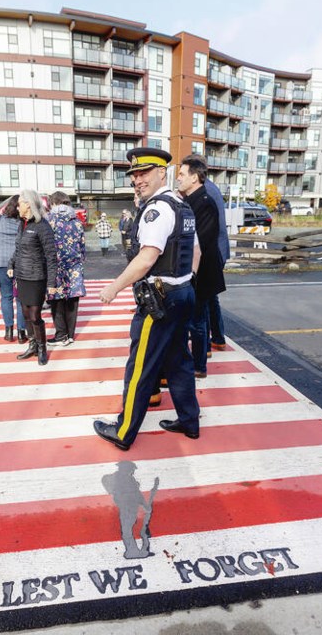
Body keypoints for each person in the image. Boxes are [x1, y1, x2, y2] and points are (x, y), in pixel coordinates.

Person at [93, 147, 201, 451]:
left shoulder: (156, 210)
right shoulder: (182, 205)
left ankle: (124, 430)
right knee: (179, 361)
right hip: (182, 292)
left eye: (144, 173)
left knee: (140, 367)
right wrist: (184, 282)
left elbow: (146, 258)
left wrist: (113, 287)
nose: (138, 180)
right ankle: (189, 421)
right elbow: (196, 251)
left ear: (161, 172)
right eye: (135, 175)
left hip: (161, 299)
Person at [177, 155, 226, 377]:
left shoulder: (204, 202)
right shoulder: (190, 200)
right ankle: (201, 355)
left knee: (197, 319)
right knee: (199, 317)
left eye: (181, 174)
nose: (178, 178)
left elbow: (200, 242)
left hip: (202, 271)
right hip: (196, 270)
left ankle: (199, 366)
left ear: (195, 177)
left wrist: (188, 271)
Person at [9, 189, 57, 365]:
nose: (17, 205)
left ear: (28, 204)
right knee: (25, 313)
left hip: (37, 277)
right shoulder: (22, 225)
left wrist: (52, 282)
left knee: (35, 315)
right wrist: (10, 265)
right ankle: (33, 345)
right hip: (22, 276)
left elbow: (51, 256)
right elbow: (18, 250)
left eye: (20, 202)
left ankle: (42, 348)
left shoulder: (42, 226)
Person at [46, 191, 86, 345]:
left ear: (54, 203)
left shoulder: (49, 220)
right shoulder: (77, 221)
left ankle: (61, 334)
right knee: (72, 300)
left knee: (57, 300)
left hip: (56, 265)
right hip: (74, 265)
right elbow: (82, 245)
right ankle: (70, 335)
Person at [0, 196, 27, 343]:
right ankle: (22, 332)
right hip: (20, 262)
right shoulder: (22, 222)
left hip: (1, 261)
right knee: (21, 298)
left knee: (6, 296)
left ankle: (8, 331)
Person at [204, 178, 229, 351]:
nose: (179, 178)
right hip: (217, 250)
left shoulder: (205, 192)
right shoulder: (212, 188)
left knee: (204, 299)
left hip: (211, 252)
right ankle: (218, 338)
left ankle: (206, 345)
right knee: (210, 298)